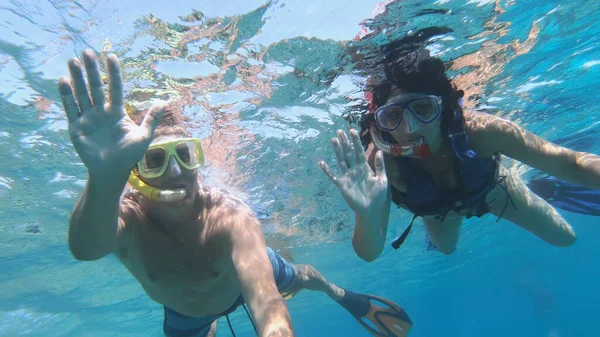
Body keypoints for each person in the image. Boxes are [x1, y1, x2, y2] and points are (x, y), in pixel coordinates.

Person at [58, 49, 412, 337]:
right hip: (184, 314)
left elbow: (265, 304)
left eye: (184, 154)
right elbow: (85, 249)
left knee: (301, 277)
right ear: (134, 170)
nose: (176, 171)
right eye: (154, 160)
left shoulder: (230, 217)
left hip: (244, 284)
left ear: (199, 158)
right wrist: (104, 178)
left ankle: (339, 294)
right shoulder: (126, 216)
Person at [318, 38, 600, 260]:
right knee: (447, 249)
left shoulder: (481, 131)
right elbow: (369, 253)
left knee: (565, 238)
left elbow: (569, 162)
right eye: (393, 116)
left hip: (494, 192)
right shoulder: (380, 164)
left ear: (444, 108)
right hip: (435, 211)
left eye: (423, 109)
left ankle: (541, 187)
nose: (410, 128)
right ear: (381, 123)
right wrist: (366, 216)